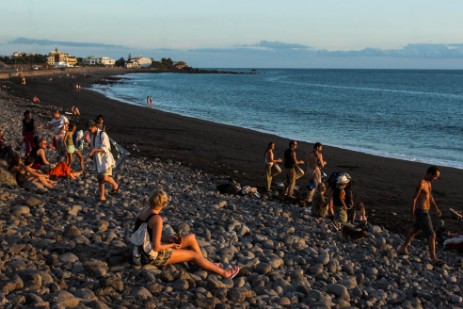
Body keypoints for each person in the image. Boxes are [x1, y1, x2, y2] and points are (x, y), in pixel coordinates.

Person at [134, 188, 240, 278]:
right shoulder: (157, 219)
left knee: (190, 237)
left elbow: (148, 234)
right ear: (164, 204)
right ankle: (225, 273)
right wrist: (171, 245)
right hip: (150, 256)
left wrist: (167, 239)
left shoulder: (144, 211)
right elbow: (157, 247)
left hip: (142, 248)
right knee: (193, 255)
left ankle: (206, 263)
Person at [399, 166, 444, 266]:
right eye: (435, 176)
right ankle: (433, 258)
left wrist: (436, 208)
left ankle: (403, 248)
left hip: (426, 210)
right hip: (421, 212)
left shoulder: (428, 183)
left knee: (414, 230)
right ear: (430, 174)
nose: (436, 179)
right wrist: (412, 214)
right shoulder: (421, 183)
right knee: (432, 234)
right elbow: (414, 199)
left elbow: (430, 196)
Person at [88, 120, 119, 202]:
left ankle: (115, 185)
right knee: (100, 178)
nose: (89, 131)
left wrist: (94, 150)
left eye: (90, 129)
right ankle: (102, 196)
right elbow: (92, 147)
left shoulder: (102, 134)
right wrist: (92, 154)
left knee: (104, 177)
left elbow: (106, 148)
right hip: (98, 160)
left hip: (105, 159)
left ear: (94, 127)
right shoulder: (92, 136)